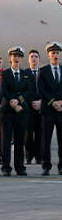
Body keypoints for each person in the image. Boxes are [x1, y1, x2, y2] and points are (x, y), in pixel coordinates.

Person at [0, 46, 29, 176]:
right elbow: (3, 91)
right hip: (7, 112)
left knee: (20, 141)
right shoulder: (5, 74)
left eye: (18, 56)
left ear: (21, 58)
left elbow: (29, 91)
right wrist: (13, 102)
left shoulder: (26, 75)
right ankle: (6, 167)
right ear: (10, 58)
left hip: (21, 111)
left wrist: (19, 101)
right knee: (6, 141)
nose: (16, 58)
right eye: (14, 56)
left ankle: (20, 167)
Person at [39, 41, 62, 176]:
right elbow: (41, 90)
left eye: (57, 53)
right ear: (48, 55)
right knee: (45, 140)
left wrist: (61, 103)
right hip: (48, 110)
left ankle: (61, 166)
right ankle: (46, 166)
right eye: (53, 53)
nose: (56, 55)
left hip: (61, 110)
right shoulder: (43, 71)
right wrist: (53, 102)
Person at [24, 49, 43, 165]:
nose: (34, 58)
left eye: (36, 56)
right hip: (28, 108)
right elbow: (23, 90)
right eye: (32, 57)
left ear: (39, 59)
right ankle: (29, 156)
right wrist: (31, 102)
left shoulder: (43, 73)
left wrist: (41, 102)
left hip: (41, 108)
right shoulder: (24, 73)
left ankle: (39, 157)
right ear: (28, 59)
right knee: (28, 134)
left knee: (40, 134)